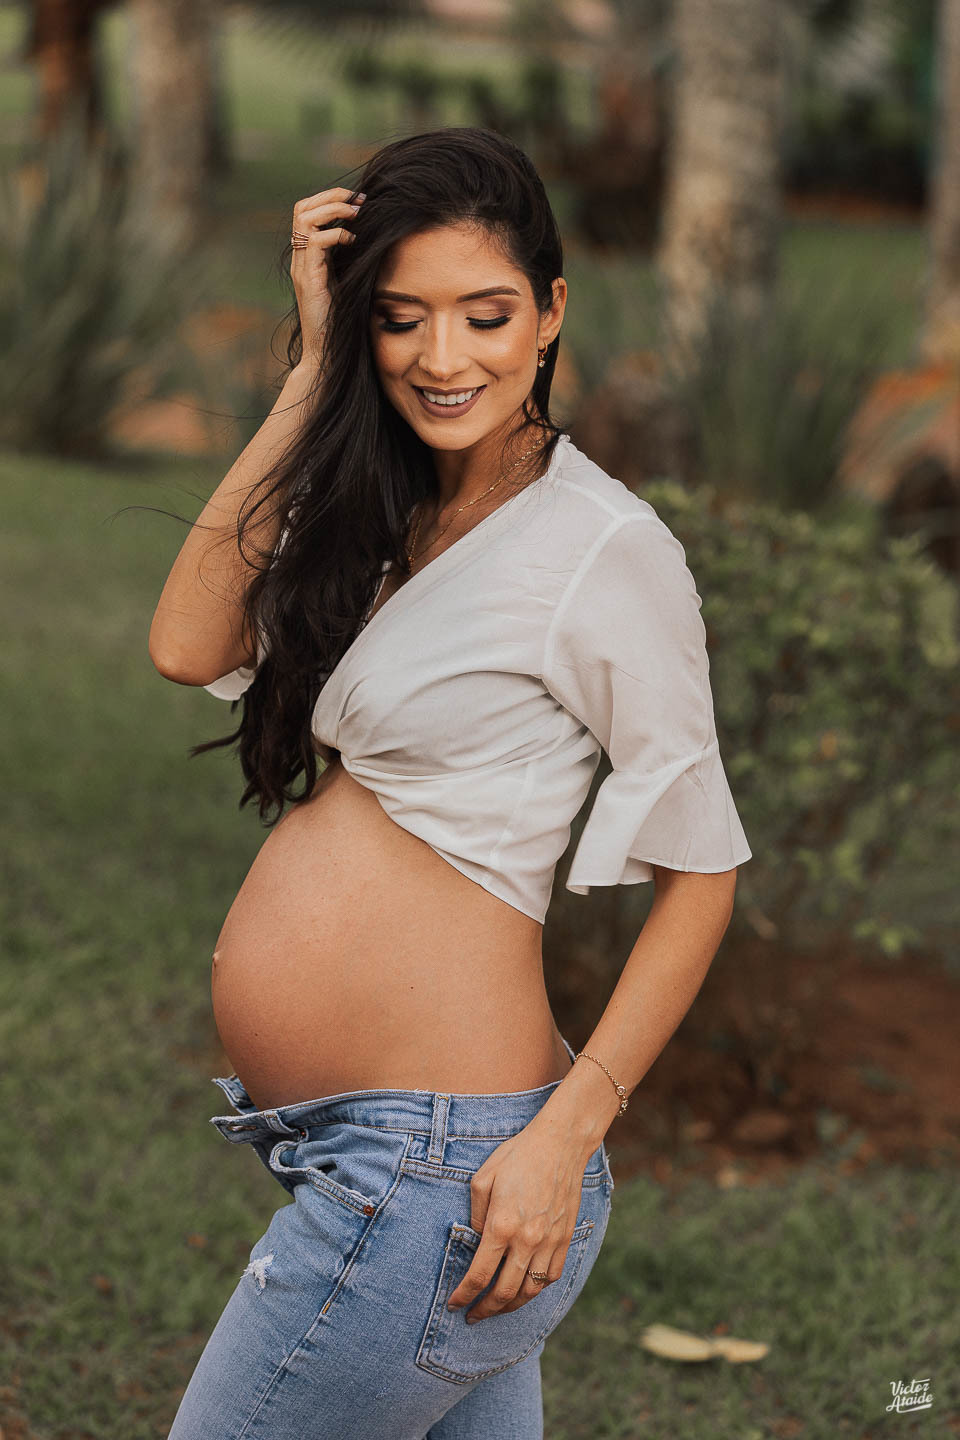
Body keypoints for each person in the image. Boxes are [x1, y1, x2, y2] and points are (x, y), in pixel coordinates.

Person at [150, 126, 752, 1440]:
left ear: (549, 314)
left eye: (485, 316)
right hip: (388, 1157)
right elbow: (187, 643)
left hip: (448, 1174)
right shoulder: (382, 506)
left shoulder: (602, 549)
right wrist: (310, 374)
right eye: (400, 319)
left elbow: (703, 877)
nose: (441, 358)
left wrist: (565, 1138)